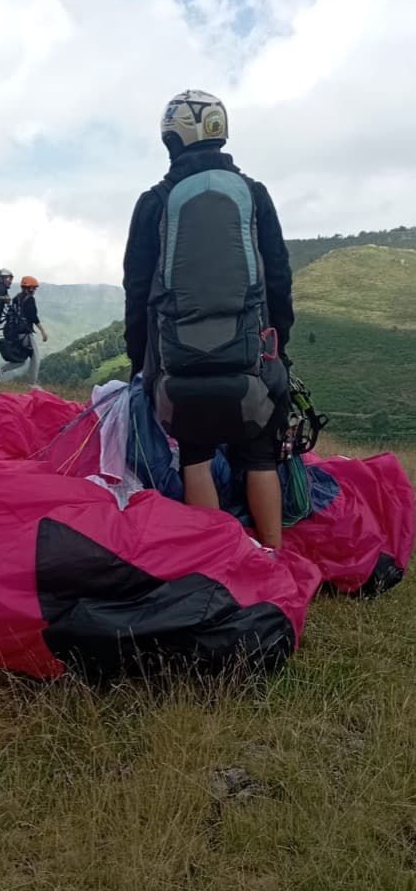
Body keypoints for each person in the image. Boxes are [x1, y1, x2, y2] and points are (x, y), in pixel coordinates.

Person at [123, 90, 294, 548]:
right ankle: (272, 556)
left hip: (179, 368)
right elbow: (278, 277)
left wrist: (137, 359)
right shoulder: (254, 196)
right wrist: (280, 350)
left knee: (194, 455)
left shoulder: (155, 201)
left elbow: (137, 289)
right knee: (260, 455)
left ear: (172, 141)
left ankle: (217, 556)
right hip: (251, 362)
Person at [0, 276, 48, 388]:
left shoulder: (17, 298)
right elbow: (33, 317)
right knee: (35, 358)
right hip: (25, 333)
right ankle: (32, 383)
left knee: (21, 360)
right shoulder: (30, 300)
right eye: (34, 288)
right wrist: (43, 331)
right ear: (30, 288)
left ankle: (0, 371)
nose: (35, 290)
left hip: (15, 333)